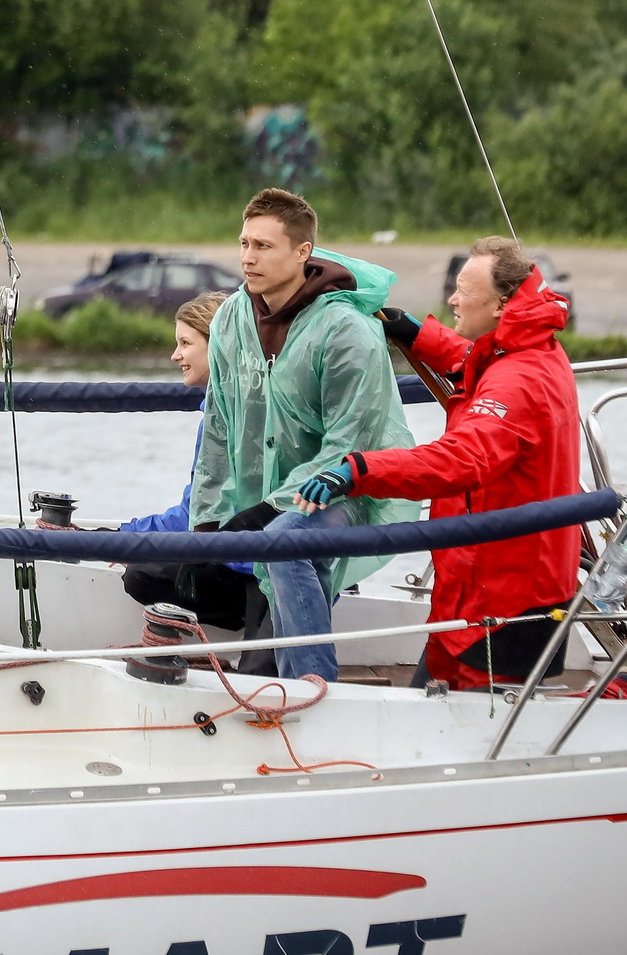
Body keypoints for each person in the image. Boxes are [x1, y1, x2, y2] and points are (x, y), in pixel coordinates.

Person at [294, 234, 583, 691]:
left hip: (503, 599)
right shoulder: (523, 348)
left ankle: (622, 690)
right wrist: (415, 332)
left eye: (464, 291)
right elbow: (476, 357)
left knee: (479, 726)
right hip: (482, 585)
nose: (451, 298)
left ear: (502, 305)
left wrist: (358, 470)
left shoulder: (519, 380)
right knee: (432, 698)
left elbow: (461, 460)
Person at [193, 188, 416, 682]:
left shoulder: (346, 331)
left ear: (302, 252)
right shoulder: (232, 316)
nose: (248, 258)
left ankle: (317, 686)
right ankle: (275, 670)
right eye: (244, 243)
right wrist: (206, 520)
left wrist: (274, 506)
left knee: (286, 542)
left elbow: (349, 444)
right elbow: (219, 424)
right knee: (155, 574)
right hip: (265, 496)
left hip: (350, 486)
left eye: (264, 246)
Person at [113, 292, 264, 640]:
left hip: (249, 568)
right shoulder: (248, 402)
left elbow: (196, 515)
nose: (175, 355)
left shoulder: (223, 418)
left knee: (141, 574)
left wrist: (122, 538)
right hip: (264, 560)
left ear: (218, 345)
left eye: (185, 342)